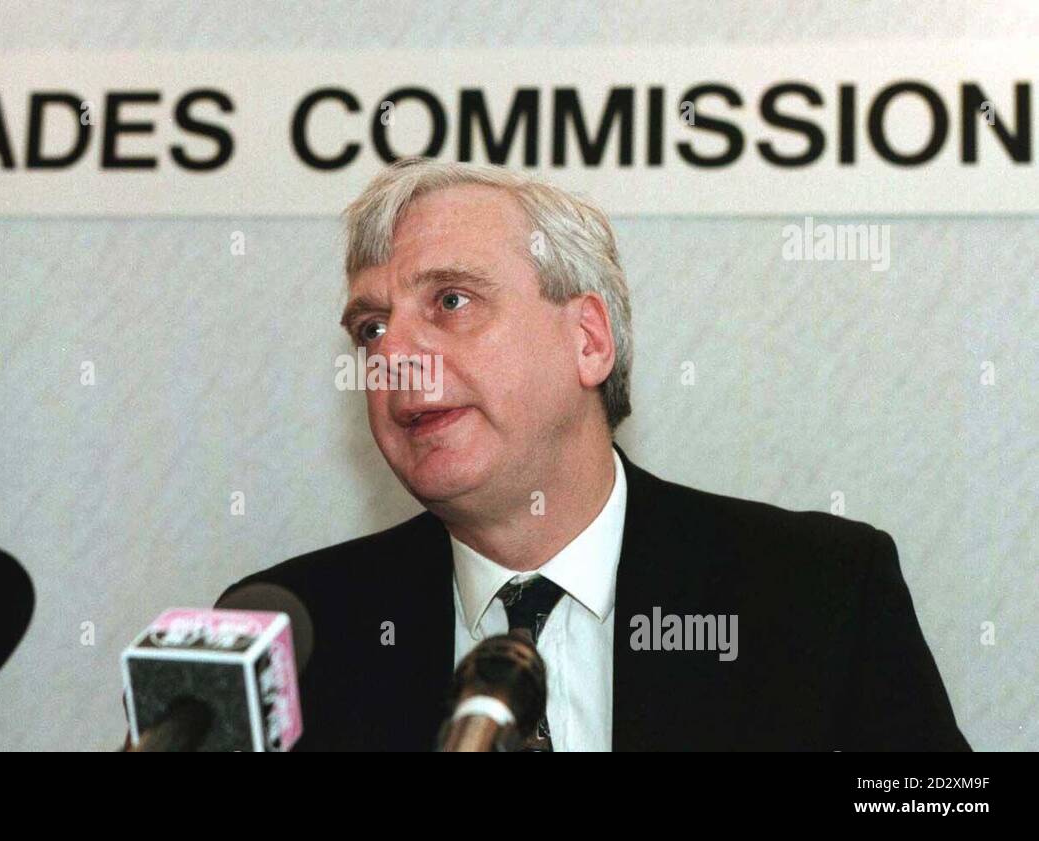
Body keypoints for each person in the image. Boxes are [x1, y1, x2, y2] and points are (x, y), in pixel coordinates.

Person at [221, 157, 969, 752]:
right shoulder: (296, 635)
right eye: (372, 329)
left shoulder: (819, 592)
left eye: (450, 301)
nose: (397, 356)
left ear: (588, 340)